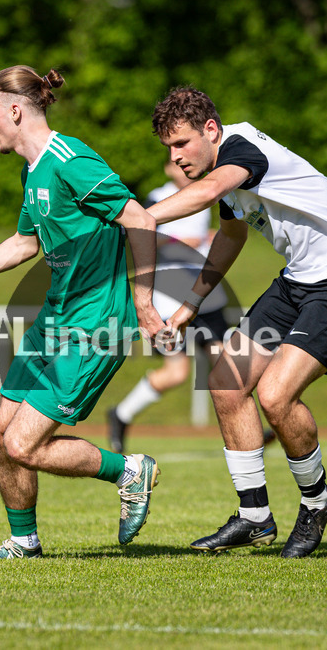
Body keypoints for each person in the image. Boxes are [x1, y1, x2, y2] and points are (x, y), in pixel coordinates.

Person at [0, 65, 166, 559]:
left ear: (14, 110)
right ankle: (23, 542)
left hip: (97, 324)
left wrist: (143, 302)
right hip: (55, 320)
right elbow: (23, 243)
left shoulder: (71, 160)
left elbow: (140, 218)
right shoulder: (32, 169)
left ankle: (130, 471)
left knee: (21, 445)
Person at [146, 86, 327, 558]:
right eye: (168, 148)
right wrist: (190, 305)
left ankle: (316, 503)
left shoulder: (240, 151)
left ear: (210, 130)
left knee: (276, 395)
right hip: (299, 281)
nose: (175, 158)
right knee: (226, 382)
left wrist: (140, 218)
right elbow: (231, 235)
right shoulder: (223, 170)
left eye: (181, 144)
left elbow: (208, 192)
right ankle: (254, 517)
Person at [106, 161, 278, 454]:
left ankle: (250, 430)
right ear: (166, 169)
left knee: (228, 366)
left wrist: (210, 238)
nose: (182, 166)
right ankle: (121, 415)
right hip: (169, 299)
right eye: (174, 163)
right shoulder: (156, 198)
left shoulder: (204, 196)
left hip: (203, 297)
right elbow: (140, 237)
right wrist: (183, 242)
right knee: (176, 373)